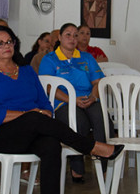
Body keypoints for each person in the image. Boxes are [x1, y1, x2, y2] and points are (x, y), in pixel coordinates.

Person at [0, 25, 124, 194]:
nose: (6, 46)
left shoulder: (27, 71)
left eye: (9, 41)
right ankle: (91, 147)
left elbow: (45, 103)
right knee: (33, 117)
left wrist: (44, 112)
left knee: (51, 145)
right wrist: (27, 115)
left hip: (30, 132)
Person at [38, 23, 107, 184]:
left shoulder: (86, 57)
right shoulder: (49, 59)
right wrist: (72, 100)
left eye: (75, 35)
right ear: (60, 38)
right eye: (68, 34)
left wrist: (93, 97)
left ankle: (103, 167)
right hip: (63, 102)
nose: (72, 38)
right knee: (79, 123)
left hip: (87, 99)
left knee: (101, 118)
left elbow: (98, 81)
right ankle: (77, 168)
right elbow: (48, 86)